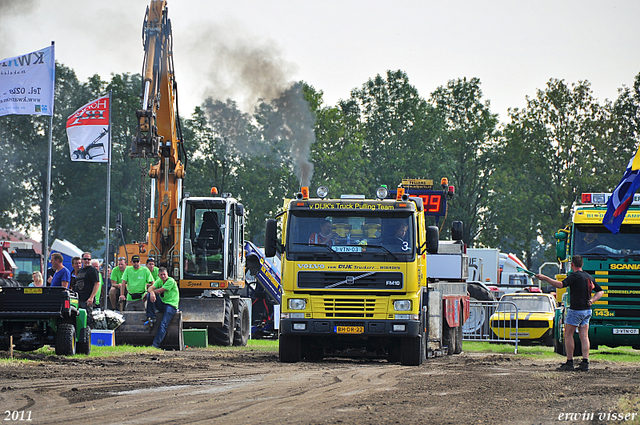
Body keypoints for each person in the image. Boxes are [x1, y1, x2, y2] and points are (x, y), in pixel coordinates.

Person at [536, 255, 604, 371]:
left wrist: (545, 278)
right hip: (587, 311)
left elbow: (560, 285)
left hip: (575, 310)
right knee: (584, 336)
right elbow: (600, 291)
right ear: (581, 264)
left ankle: (569, 362)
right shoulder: (588, 277)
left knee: (568, 335)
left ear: (572, 265)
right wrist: (592, 300)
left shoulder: (574, 276)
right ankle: (585, 363)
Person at [146, 266, 180, 348]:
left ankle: (155, 345)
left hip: (171, 306)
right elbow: (150, 288)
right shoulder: (159, 281)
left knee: (163, 324)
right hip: (163, 303)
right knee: (149, 295)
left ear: (167, 274)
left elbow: (159, 291)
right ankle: (151, 316)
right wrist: (150, 293)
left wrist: (151, 292)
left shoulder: (171, 281)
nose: (163, 276)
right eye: (161, 275)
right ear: (159, 275)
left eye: (164, 274)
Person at [73, 252, 101, 326]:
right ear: (82, 260)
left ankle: (87, 335)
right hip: (78, 298)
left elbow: (97, 283)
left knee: (87, 319)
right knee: (78, 318)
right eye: (85, 259)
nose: (87, 261)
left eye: (88, 259)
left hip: (87, 299)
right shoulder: (81, 270)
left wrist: (91, 297)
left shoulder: (92, 270)